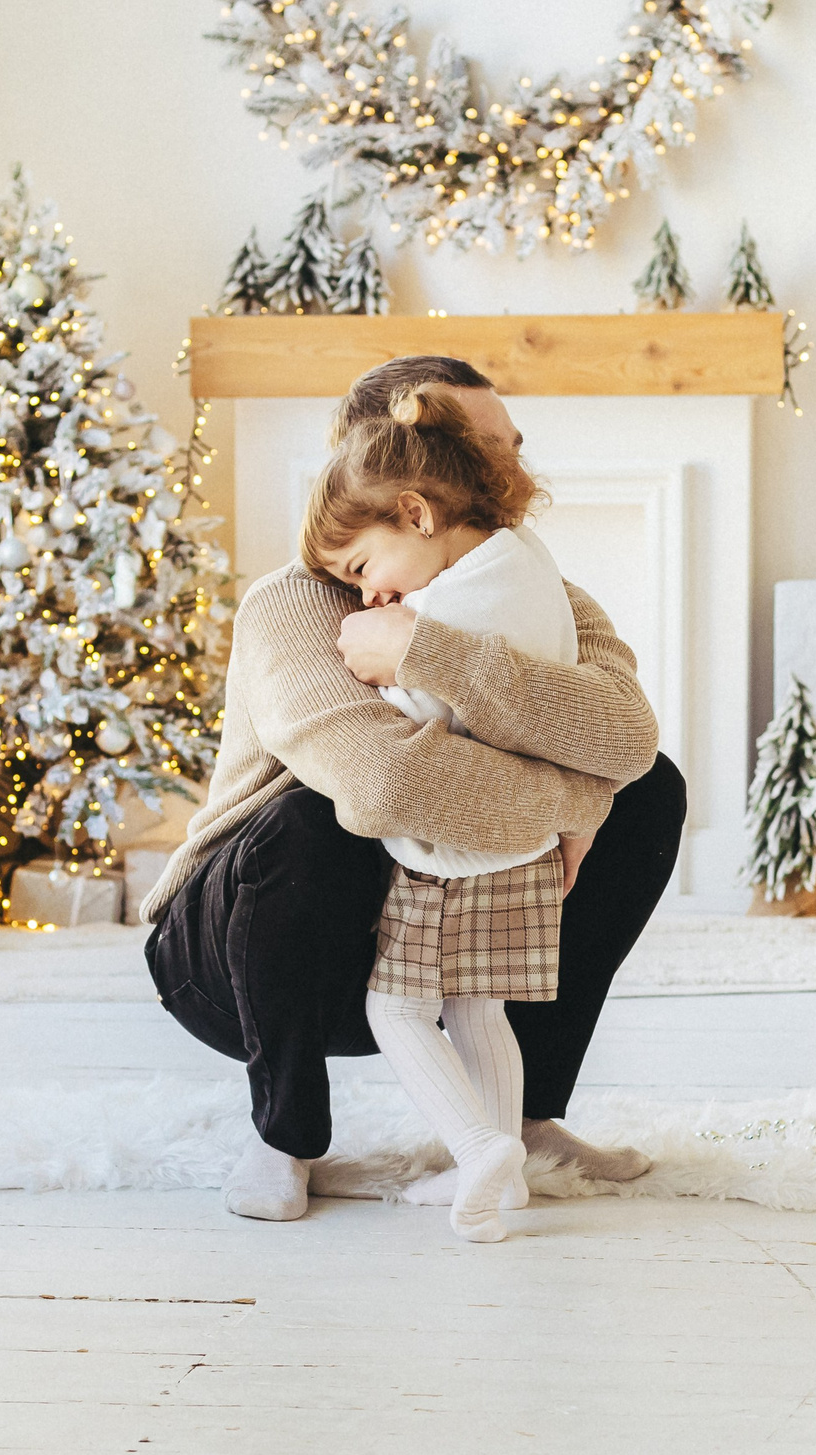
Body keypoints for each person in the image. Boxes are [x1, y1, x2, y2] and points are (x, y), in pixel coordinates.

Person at [137, 356, 684, 1223]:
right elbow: (385, 783)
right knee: (312, 820)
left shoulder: (538, 588)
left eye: (512, 444)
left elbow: (626, 739)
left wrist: (428, 653)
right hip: (239, 952)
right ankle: (285, 1135)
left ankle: (522, 1119)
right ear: (409, 481)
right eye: (487, 446)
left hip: (438, 930)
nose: (512, 467)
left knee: (650, 793)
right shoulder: (296, 602)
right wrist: (576, 798)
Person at [296, 381, 604, 1242]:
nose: (370, 598)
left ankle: (477, 1147)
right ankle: (506, 1175)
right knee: (478, 1008)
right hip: (529, 850)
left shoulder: (446, 611)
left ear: (416, 513)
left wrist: (385, 666)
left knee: (395, 1009)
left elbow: (417, 725)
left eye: (363, 569)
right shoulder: (522, 555)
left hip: (455, 852)